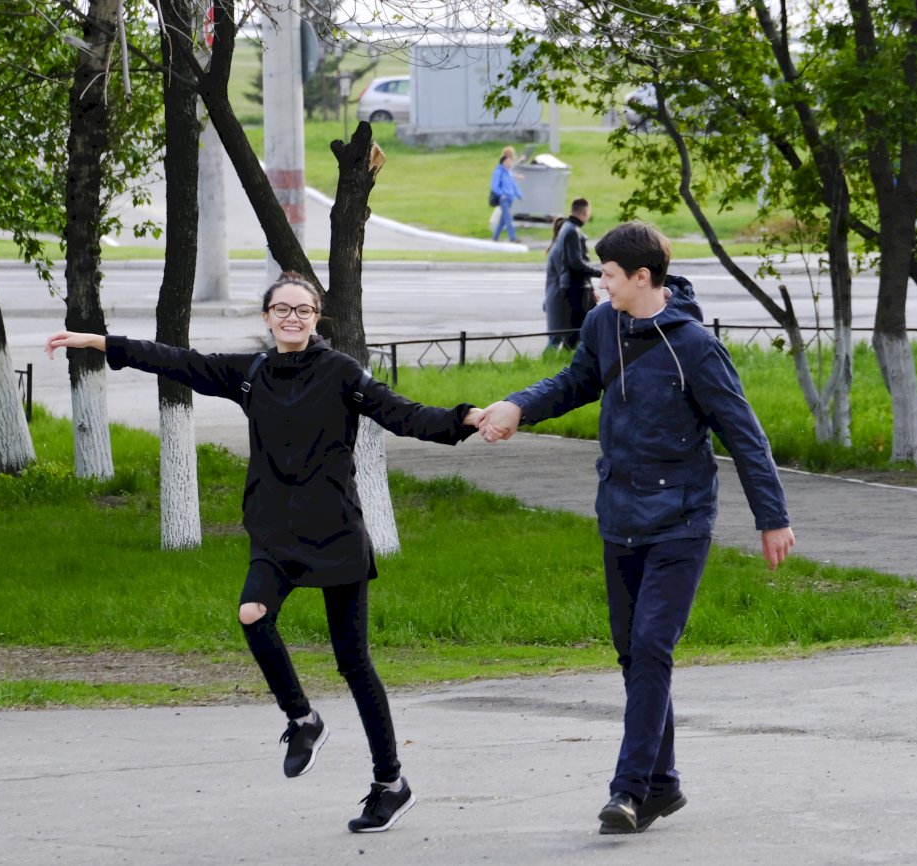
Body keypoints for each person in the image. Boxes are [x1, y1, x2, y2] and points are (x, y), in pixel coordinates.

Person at [44, 272, 481, 834]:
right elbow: (178, 359)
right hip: (275, 534)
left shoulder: (342, 373)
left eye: (303, 310)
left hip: (336, 533)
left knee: (354, 663)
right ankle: (302, 718)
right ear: (268, 316)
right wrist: (101, 343)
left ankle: (390, 784)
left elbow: (404, 414)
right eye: (282, 310)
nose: (292, 319)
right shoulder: (250, 374)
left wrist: (465, 419)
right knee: (252, 614)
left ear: (317, 316)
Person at [476, 221, 795, 835]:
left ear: (642, 278)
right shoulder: (602, 326)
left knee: (652, 645)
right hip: (618, 517)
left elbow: (744, 433)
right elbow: (573, 384)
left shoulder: (695, 346)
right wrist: (518, 406)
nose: (600, 285)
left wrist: (772, 517)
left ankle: (628, 790)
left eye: (610, 276)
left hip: (680, 521)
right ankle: (664, 784)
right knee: (634, 654)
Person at [544, 198, 602, 350]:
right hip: (577, 287)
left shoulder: (566, 229)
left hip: (572, 286)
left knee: (574, 332)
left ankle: (572, 359)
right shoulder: (572, 231)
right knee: (580, 330)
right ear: (585, 212)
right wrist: (601, 274)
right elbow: (576, 263)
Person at [490, 147, 523, 243]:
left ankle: (495, 237)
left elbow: (513, 185)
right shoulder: (498, 172)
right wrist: (501, 194)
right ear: (504, 162)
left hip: (510, 198)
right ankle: (513, 238)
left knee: (503, 220)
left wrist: (518, 195)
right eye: (508, 161)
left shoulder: (508, 172)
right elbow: (494, 186)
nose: (510, 163)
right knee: (508, 218)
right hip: (503, 199)